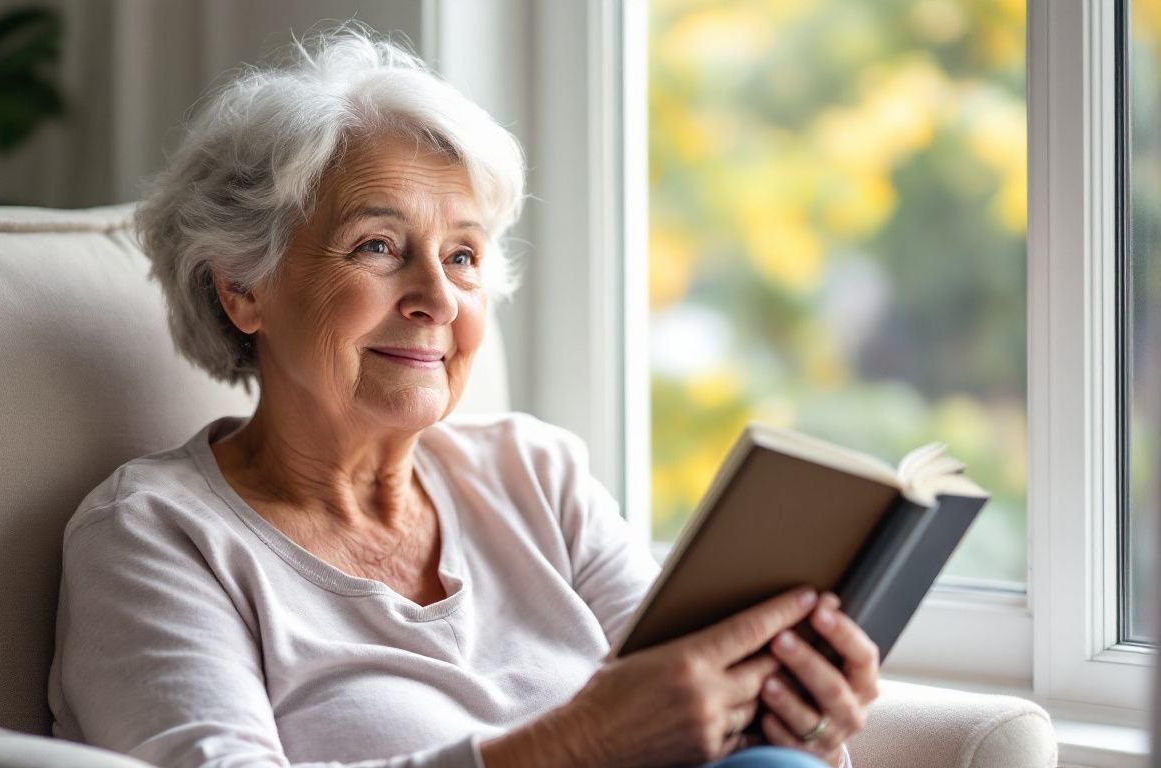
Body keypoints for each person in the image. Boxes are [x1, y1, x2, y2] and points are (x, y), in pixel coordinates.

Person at [46, 26, 880, 768]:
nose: (438, 301)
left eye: (464, 256)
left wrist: (791, 714)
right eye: (378, 246)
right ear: (242, 289)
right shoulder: (153, 535)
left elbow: (694, 705)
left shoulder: (535, 475)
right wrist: (580, 744)